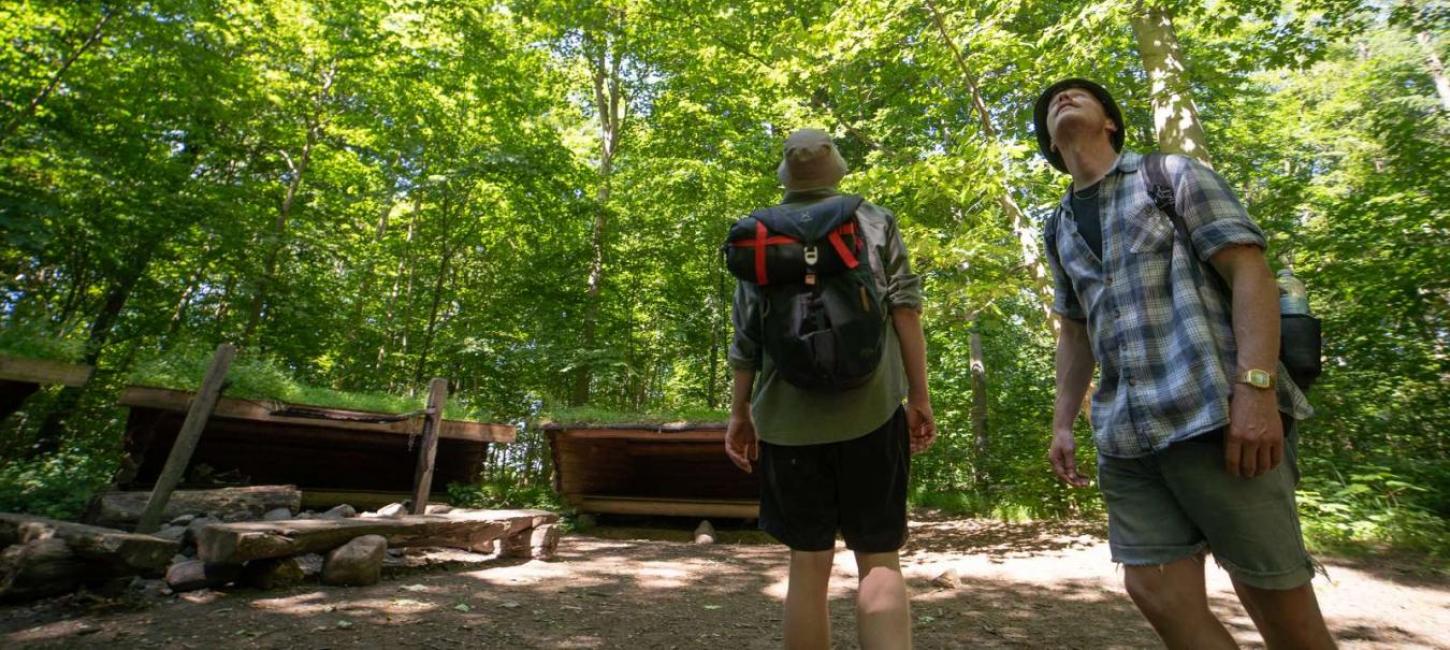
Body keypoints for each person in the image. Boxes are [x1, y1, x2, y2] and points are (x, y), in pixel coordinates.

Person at [1036, 78, 1335, 649]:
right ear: (1051, 145)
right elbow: (1075, 333)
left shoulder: (1170, 175)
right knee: (1156, 593)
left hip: (1214, 414)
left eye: (1080, 95)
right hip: (1125, 435)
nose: (1062, 99)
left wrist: (1256, 389)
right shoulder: (1058, 226)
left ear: (1112, 123)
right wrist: (1062, 422)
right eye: (1052, 103)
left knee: (1275, 601)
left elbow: (1249, 271)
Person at [725, 128, 937, 650]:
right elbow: (905, 309)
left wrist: (740, 413)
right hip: (871, 411)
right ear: (836, 168)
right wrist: (919, 397)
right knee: (879, 556)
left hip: (787, 424)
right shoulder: (873, 220)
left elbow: (746, 336)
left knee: (808, 560)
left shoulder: (757, 233)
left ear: (786, 175)